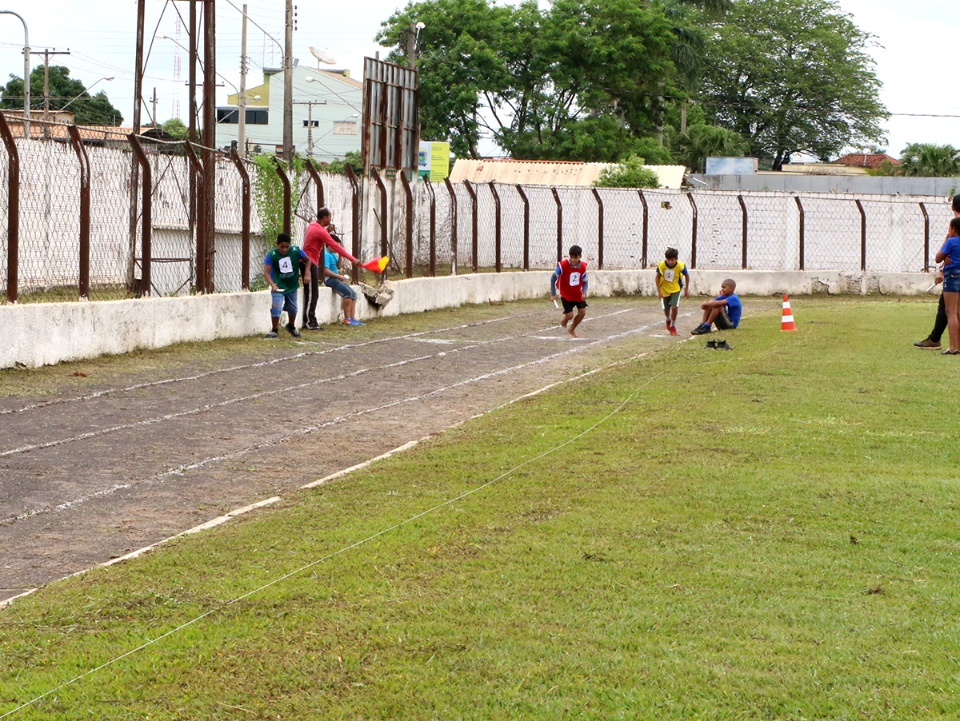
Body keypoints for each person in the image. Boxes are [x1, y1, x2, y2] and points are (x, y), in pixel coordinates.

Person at [301, 208, 363, 330]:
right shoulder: (320, 231)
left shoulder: (313, 225)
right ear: (324, 218)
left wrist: (326, 231)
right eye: (329, 216)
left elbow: (319, 236)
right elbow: (336, 246)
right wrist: (353, 260)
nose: (331, 219)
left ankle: (311, 320)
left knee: (314, 293)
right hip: (309, 262)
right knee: (311, 294)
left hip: (308, 261)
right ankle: (309, 321)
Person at [914, 194, 960, 349]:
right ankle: (938, 339)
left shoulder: (954, 228)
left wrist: (942, 267)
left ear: (953, 207)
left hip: (953, 274)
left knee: (949, 310)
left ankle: (938, 341)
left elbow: (942, 253)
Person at [263, 233, 309, 339]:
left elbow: (308, 260)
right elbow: (266, 272)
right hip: (278, 286)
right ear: (277, 244)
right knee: (276, 306)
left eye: (286, 247)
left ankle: (291, 326)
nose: (284, 250)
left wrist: (307, 273)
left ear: (290, 245)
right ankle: (274, 330)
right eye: (281, 247)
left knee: (293, 308)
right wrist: (272, 285)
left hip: (292, 285)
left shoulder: (296, 251)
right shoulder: (272, 255)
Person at [934, 217, 960, 355]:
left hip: (953, 276)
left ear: (954, 229)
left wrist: (944, 255)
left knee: (951, 312)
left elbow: (938, 258)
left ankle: (953, 347)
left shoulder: (951, 241)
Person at [550, 245, 588, 338]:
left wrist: (584, 292)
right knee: (570, 315)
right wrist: (553, 293)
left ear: (580, 257)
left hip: (577, 293)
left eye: (575, 258)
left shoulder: (583, 267)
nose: (573, 260)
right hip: (566, 293)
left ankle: (572, 329)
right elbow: (553, 278)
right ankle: (566, 318)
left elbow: (585, 281)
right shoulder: (563, 265)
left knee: (582, 312)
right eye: (571, 257)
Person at [324, 245, 364, 326]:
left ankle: (352, 319)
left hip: (336, 278)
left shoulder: (332, 254)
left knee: (353, 294)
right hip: (330, 279)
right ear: (329, 244)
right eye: (335, 245)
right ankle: (347, 319)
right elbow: (325, 271)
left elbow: (338, 266)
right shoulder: (325, 254)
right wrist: (338, 276)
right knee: (347, 293)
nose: (337, 247)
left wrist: (341, 255)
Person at [655, 247, 689, 336]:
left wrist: (686, 289)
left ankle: (673, 326)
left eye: (672, 260)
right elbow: (657, 277)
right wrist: (659, 291)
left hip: (676, 288)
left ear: (676, 259)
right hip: (664, 288)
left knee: (674, 307)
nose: (670, 262)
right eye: (668, 260)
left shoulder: (680, 266)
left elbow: (687, 276)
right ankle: (668, 319)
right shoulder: (661, 265)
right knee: (666, 309)